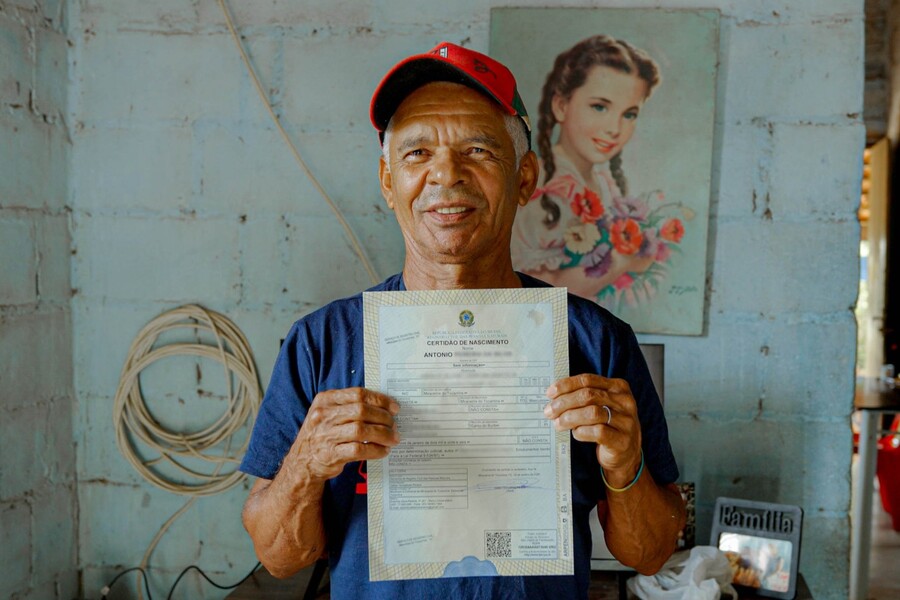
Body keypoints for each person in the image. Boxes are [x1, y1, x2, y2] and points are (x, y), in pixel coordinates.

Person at [239, 41, 686, 599]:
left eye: (478, 150)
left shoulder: (597, 343)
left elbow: (650, 552)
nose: (446, 175)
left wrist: (626, 464)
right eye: (416, 153)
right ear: (387, 182)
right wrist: (305, 464)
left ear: (525, 178)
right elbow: (280, 558)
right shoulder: (322, 343)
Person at [511, 35, 687, 307]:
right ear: (561, 105)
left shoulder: (603, 183)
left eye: (629, 114)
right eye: (600, 107)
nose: (614, 128)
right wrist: (622, 261)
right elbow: (536, 296)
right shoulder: (543, 188)